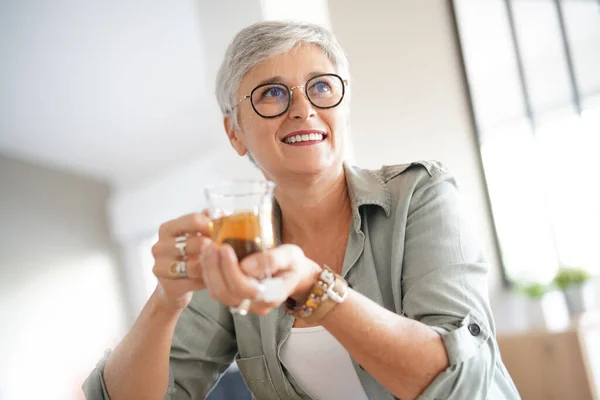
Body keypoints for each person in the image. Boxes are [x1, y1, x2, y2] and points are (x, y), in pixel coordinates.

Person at [83, 21, 520, 400]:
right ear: (235, 132)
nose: (304, 109)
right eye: (272, 93)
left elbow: (462, 385)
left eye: (322, 86)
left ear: (344, 107)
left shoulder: (420, 195)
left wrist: (313, 285)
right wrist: (165, 299)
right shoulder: (233, 246)